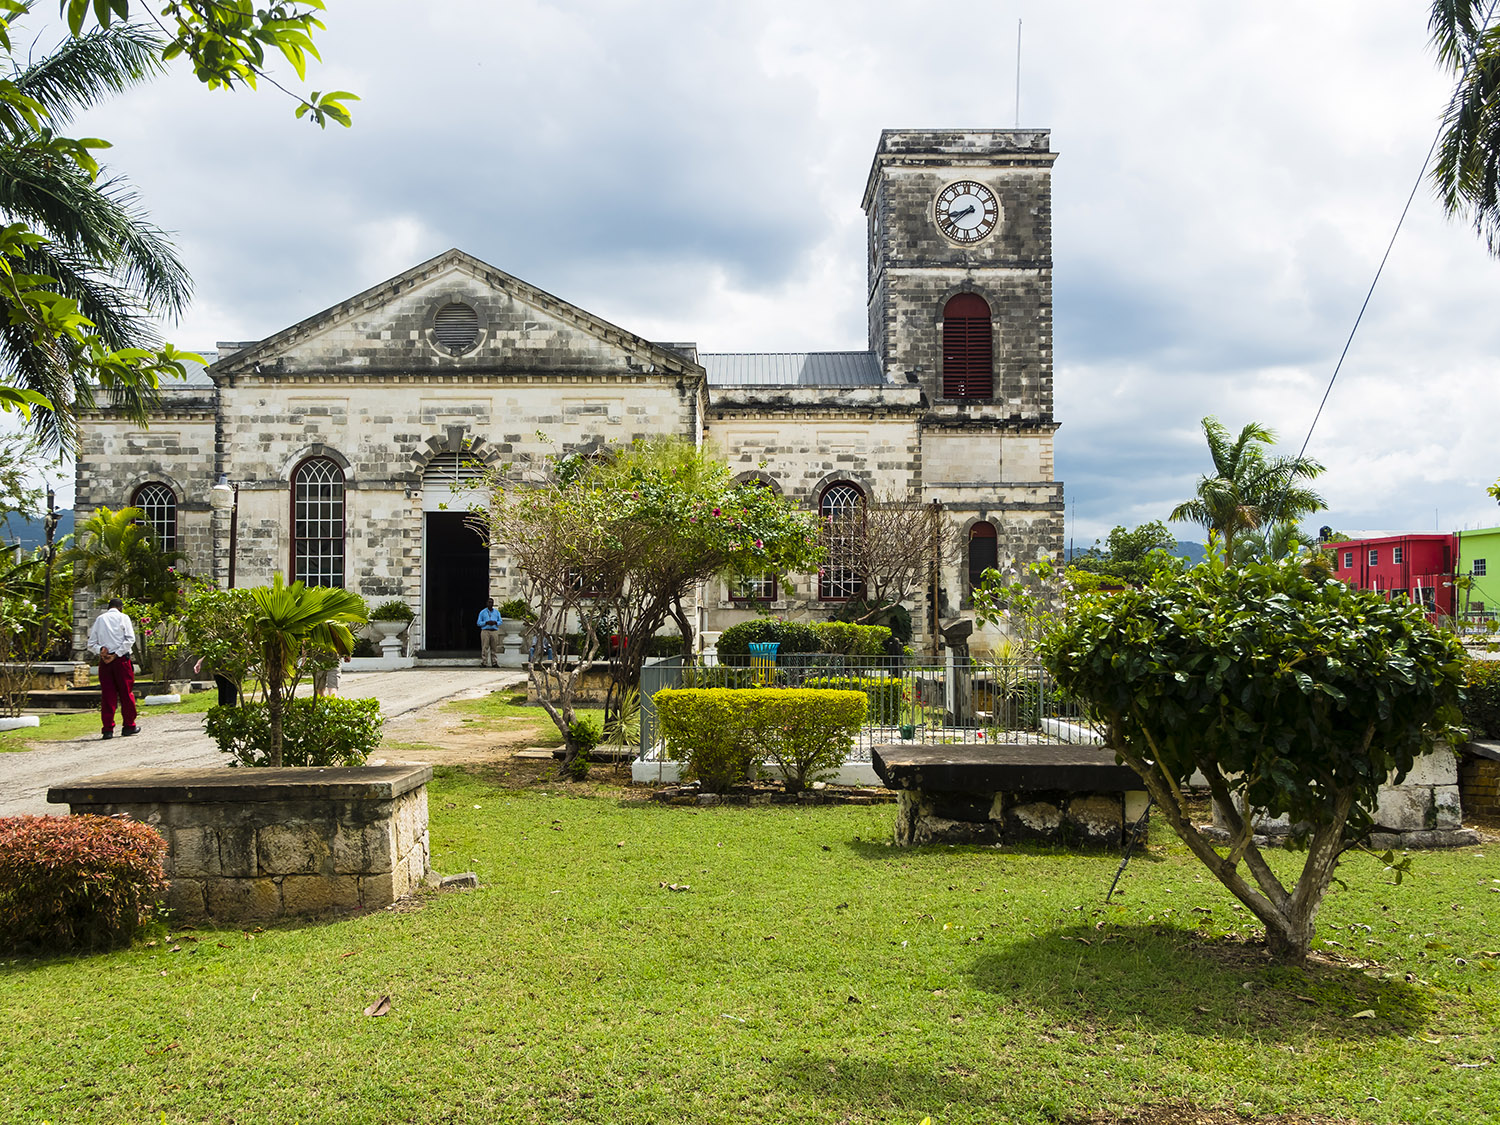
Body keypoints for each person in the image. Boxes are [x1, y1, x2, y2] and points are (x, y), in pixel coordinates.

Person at [87, 597, 139, 740]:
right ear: (120, 607)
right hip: (121, 660)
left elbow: (91, 644)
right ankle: (129, 725)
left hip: (105, 661)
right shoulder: (123, 618)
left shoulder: (100, 620)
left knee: (108, 695)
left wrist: (101, 651)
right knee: (126, 693)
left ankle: (108, 729)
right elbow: (130, 639)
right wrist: (116, 655)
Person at [477, 597, 503, 667]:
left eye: (491, 602)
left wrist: (495, 622)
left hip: (494, 631)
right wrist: (486, 622)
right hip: (485, 631)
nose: (490, 604)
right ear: (486, 603)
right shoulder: (482, 612)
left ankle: (494, 662)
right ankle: (484, 662)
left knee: (494, 648)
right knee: (485, 647)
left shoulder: (497, 612)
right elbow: (478, 623)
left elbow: (500, 621)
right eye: (489, 602)